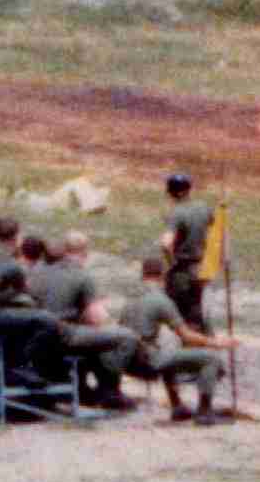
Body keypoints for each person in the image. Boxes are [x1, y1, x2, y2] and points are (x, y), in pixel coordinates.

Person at [27, 232, 141, 411]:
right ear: (84, 253)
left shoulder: (34, 273)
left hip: (35, 336)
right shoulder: (80, 275)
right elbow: (96, 318)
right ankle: (109, 390)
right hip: (62, 334)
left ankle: (82, 389)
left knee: (91, 339)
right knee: (125, 337)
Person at [124, 257, 237, 424]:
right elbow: (186, 335)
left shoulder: (131, 299)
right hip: (147, 361)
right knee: (210, 359)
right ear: (163, 277)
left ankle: (177, 406)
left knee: (165, 351)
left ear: (143, 275)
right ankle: (204, 412)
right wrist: (216, 343)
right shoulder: (161, 300)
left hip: (128, 362)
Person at [158, 173, 214, 330]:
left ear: (170, 193)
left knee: (180, 318)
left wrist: (172, 263)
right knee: (198, 312)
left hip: (183, 271)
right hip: (203, 268)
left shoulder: (176, 213)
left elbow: (165, 243)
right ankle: (206, 344)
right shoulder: (204, 208)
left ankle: (189, 348)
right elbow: (216, 235)